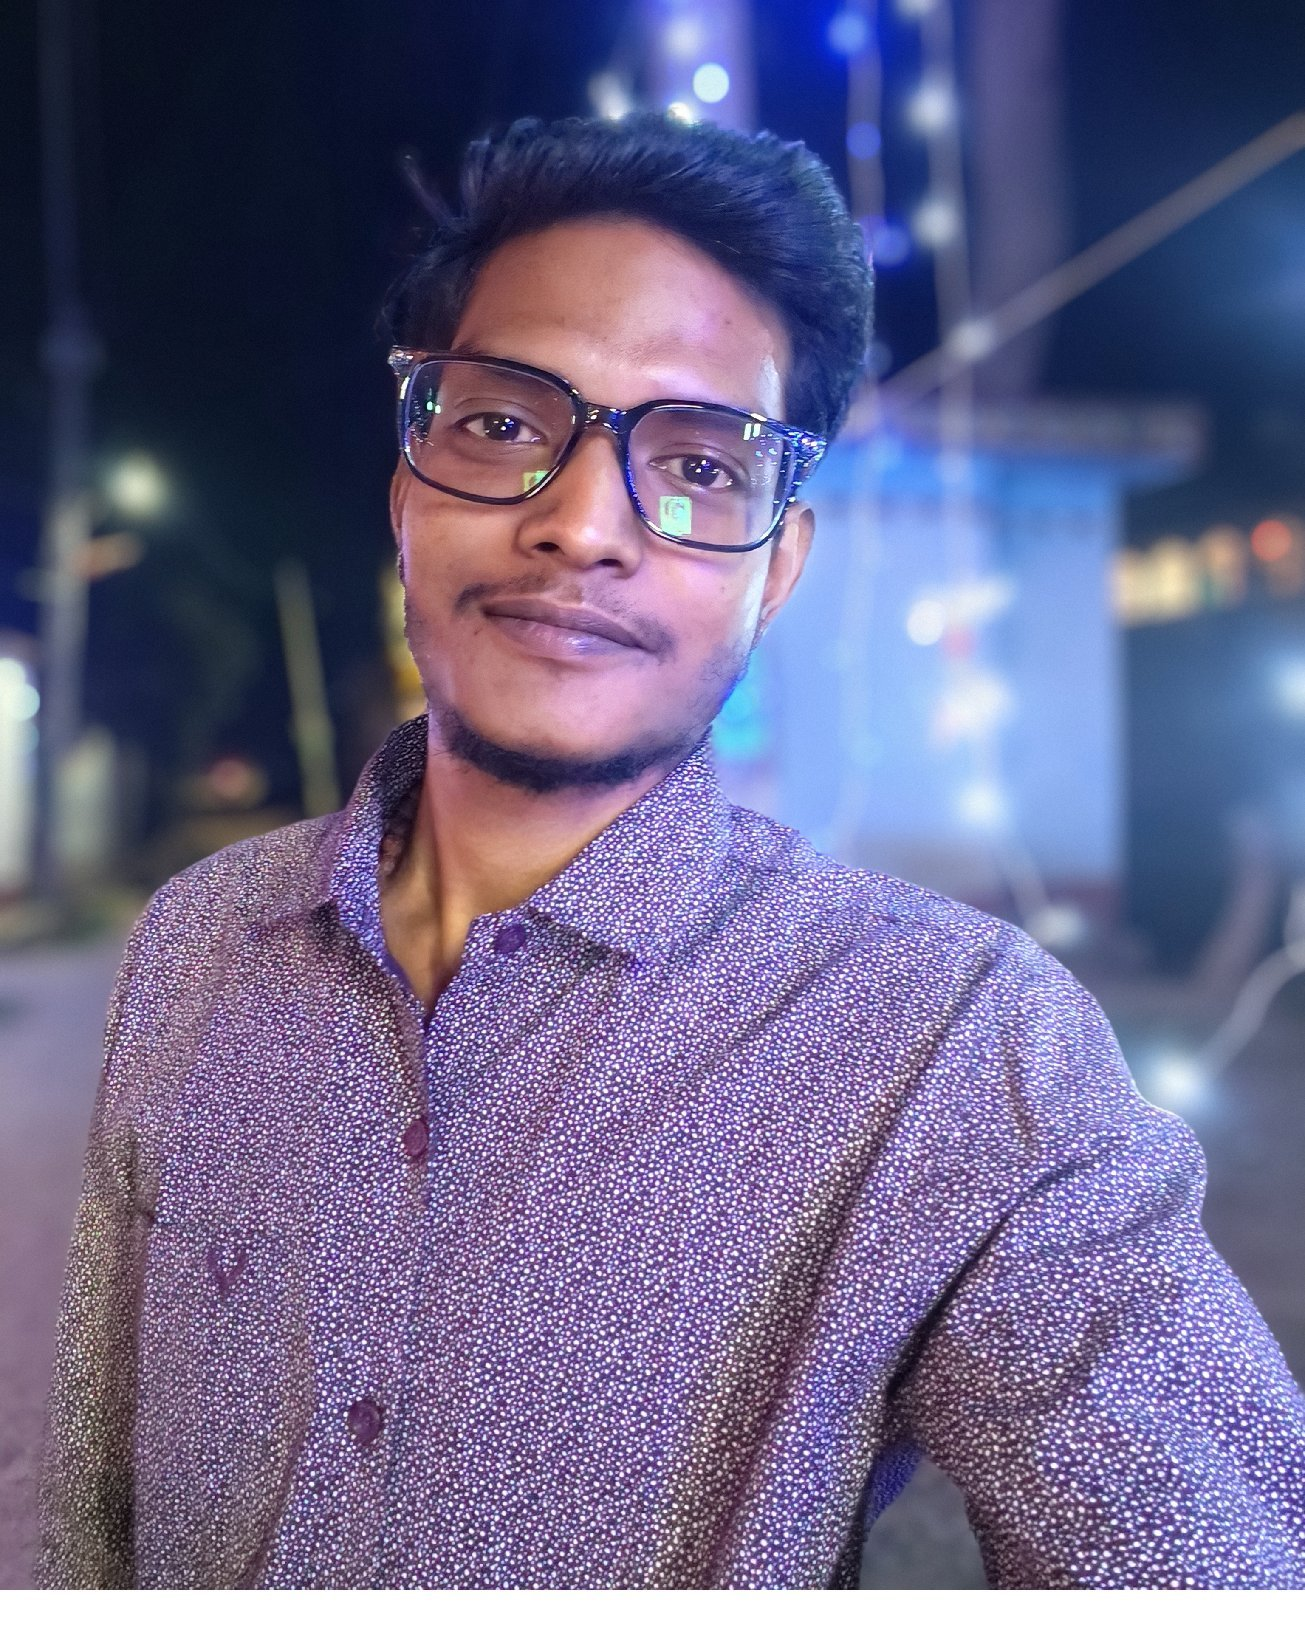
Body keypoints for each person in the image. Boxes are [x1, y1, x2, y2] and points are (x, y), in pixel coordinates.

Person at [37, 112, 1305, 1592]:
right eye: (503, 425)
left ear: (779, 568)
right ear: (406, 493)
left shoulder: (948, 1047)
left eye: (702, 460)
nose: (583, 525)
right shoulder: (201, 944)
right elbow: (91, 1512)